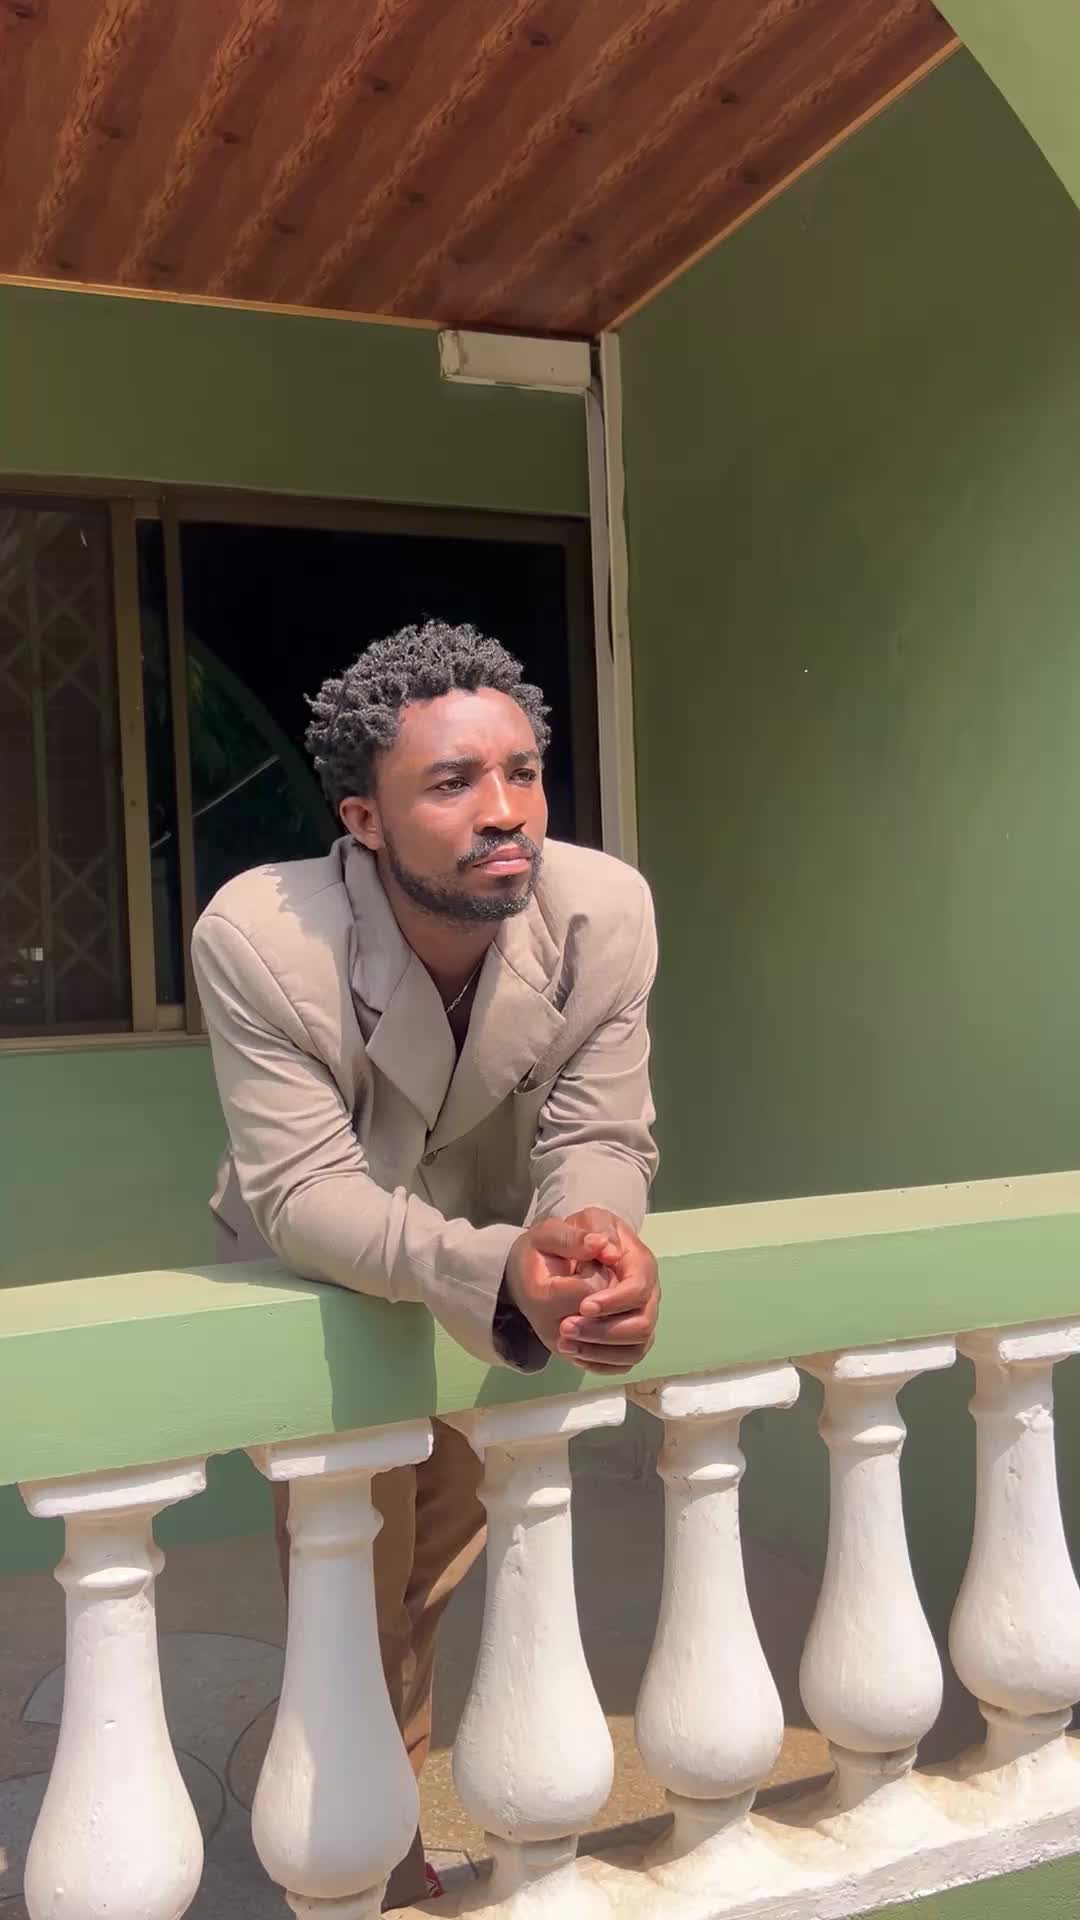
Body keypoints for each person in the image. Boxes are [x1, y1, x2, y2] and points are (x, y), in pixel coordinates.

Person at [191, 620, 660, 1907]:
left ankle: (376, 1818)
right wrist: (502, 1269)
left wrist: (598, 1240)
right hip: (333, 1283)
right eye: (452, 782)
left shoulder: (603, 911)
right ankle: (362, 1853)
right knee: (354, 1577)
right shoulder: (261, 934)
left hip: (496, 1271)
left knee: (437, 1564)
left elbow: (600, 1132)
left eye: (522, 771)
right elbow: (305, 1192)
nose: (504, 811)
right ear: (364, 819)